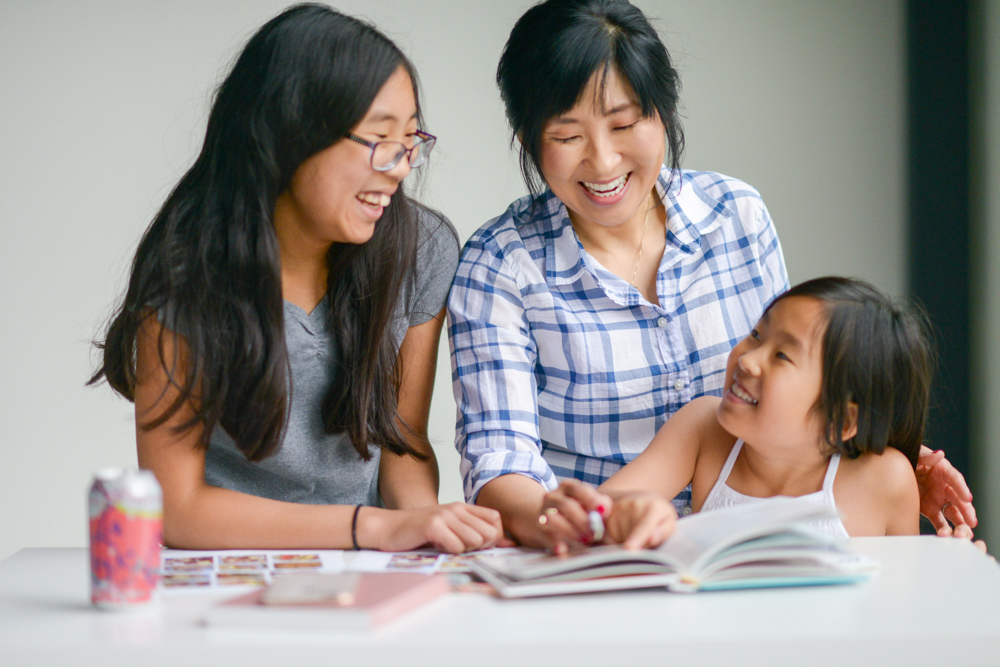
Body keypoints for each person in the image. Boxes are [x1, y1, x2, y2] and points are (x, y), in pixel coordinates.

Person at [447, 0, 975, 549]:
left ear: (663, 111)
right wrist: (586, 526)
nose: (603, 162)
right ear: (529, 139)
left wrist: (883, 458)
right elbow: (499, 462)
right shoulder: (501, 264)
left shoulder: (736, 215)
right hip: (589, 554)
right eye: (566, 136)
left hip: (741, 554)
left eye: (625, 123)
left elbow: (807, 377)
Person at [90, 4, 503, 553]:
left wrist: (427, 526)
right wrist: (371, 528)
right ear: (290, 134)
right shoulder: (187, 275)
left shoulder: (421, 250)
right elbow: (179, 509)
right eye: (380, 140)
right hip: (227, 564)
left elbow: (403, 443)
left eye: (410, 142)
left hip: (367, 569)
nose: (401, 167)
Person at [539, 277, 952, 551]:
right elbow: (597, 509)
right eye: (757, 333)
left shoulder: (885, 480)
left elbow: (901, 603)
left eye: (782, 355)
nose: (749, 359)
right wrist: (625, 514)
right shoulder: (703, 428)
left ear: (843, 422)